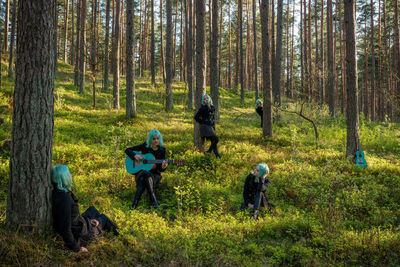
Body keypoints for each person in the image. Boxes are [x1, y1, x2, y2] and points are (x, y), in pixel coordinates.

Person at [51, 165, 118, 253]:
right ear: (64, 178)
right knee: (103, 218)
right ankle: (121, 236)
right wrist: (77, 248)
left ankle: (93, 223)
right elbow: (65, 228)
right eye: (68, 174)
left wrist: (88, 221)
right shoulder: (65, 199)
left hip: (79, 223)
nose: (71, 175)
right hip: (81, 234)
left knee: (92, 210)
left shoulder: (57, 192)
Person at [125, 129, 168, 209]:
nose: (156, 140)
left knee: (144, 176)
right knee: (145, 172)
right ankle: (154, 201)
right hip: (141, 172)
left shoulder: (162, 150)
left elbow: (160, 170)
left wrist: (163, 167)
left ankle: (134, 204)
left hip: (154, 176)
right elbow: (127, 150)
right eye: (154, 139)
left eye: (157, 138)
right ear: (150, 139)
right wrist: (135, 156)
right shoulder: (145, 146)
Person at [194, 94, 221, 158]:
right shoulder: (202, 108)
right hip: (205, 127)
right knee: (216, 139)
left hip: (210, 127)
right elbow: (196, 117)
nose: (206, 100)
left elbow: (213, 118)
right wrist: (202, 122)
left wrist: (214, 127)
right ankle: (209, 151)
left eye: (207, 98)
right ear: (203, 101)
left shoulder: (212, 107)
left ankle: (217, 156)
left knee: (213, 141)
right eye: (205, 99)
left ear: (210, 99)